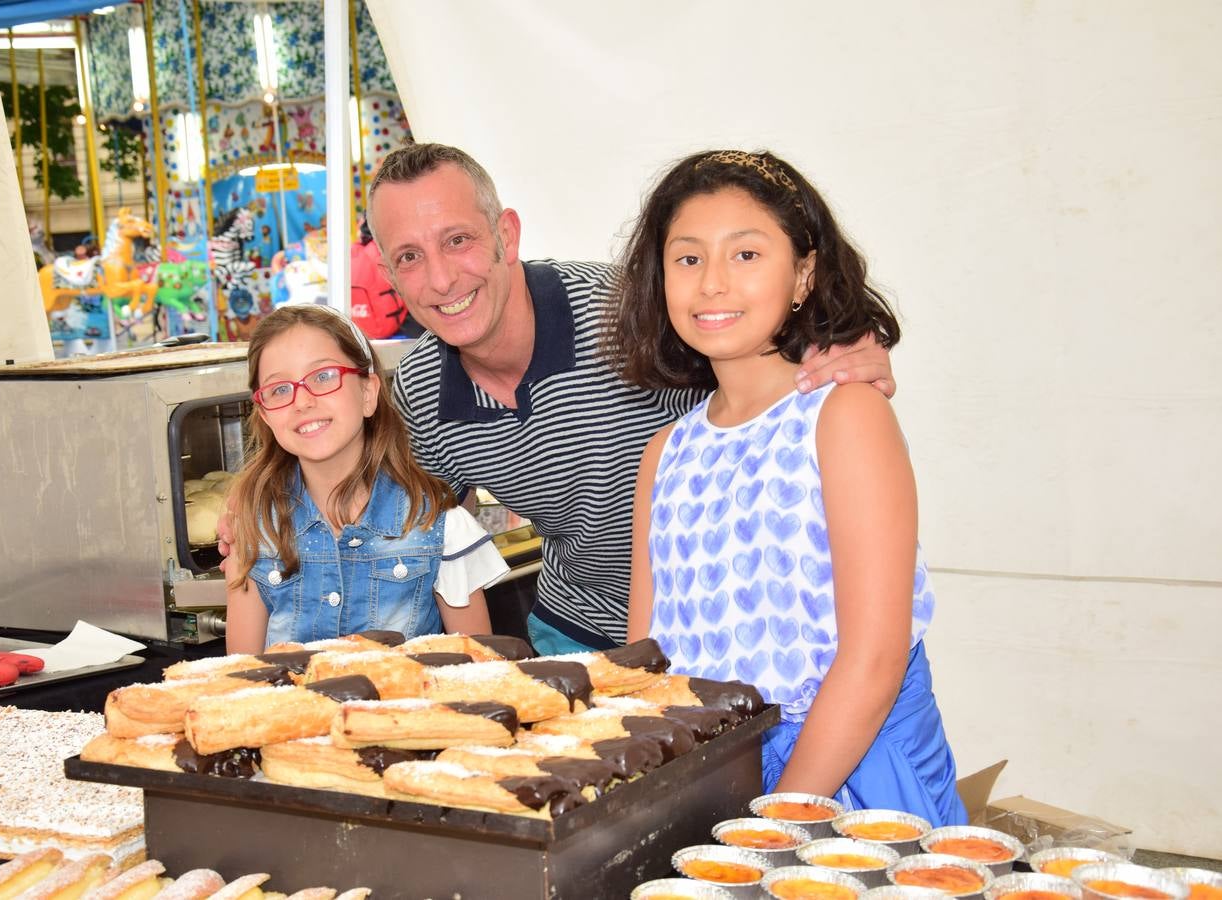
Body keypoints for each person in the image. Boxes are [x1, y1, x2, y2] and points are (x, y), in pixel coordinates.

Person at [225, 142, 896, 655]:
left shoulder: (624, 312)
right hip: (569, 632)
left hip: (714, 627)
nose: (439, 278)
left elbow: (753, 337)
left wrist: (840, 345)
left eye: (457, 241)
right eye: (408, 257)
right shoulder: (423, 393)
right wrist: (252, 499)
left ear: (506, 235)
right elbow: (372, 492)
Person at [612, 149, 965, 823]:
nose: (712, 283)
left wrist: (775, 819)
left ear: (803, 274)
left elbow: (875, 656)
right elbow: (644, 662)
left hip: (855, 767)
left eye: (746, 255)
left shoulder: (844, 413)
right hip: (713, 769)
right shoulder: (668, 449)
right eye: (687, 259)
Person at [223, 304, 503, 653]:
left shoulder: (439, 526)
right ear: (265, 415)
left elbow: (480, 675)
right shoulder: (254, 528)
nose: (302, 400)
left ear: (368, 393)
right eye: (279, 389)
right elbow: (240, 680)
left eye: (323, 376)